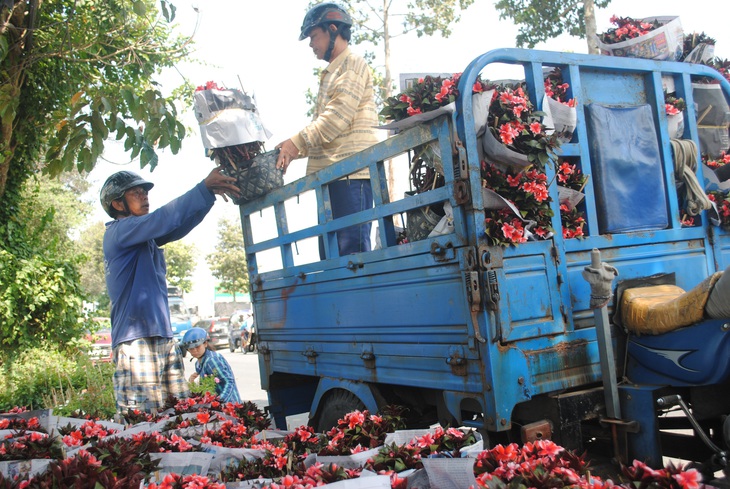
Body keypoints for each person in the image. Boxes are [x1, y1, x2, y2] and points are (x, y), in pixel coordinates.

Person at [100, 167, 239, 415]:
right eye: (136, 193)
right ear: (117, 204)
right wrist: (203, 187)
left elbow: (177, 225)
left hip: (162, 338)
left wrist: (208, 196)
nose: (145, 197)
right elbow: (165, 218)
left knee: (176, 413)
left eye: (145, 192)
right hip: (136, 341)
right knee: (142, 420)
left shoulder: (145, 238)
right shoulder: (120, 232)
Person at [275, 2, 379, 258]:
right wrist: (290, 150)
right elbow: (324, 132)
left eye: (313, 36)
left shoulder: (352, 65)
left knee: (351, 256)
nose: (311, 44)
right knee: (332, 258)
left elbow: (335, 119)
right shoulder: (332, 72)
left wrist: (295, 142)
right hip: (333, 175)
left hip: (351, 176)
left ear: (333, 29)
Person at [181, 327, 242, 404]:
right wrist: (192, 382)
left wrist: (219, 402)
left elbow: (229, 381)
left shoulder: (212, 360)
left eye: (197, 347)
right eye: (191, 349)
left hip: (229, 405)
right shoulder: (198, 364)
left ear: (205, 344)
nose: (195, 351)